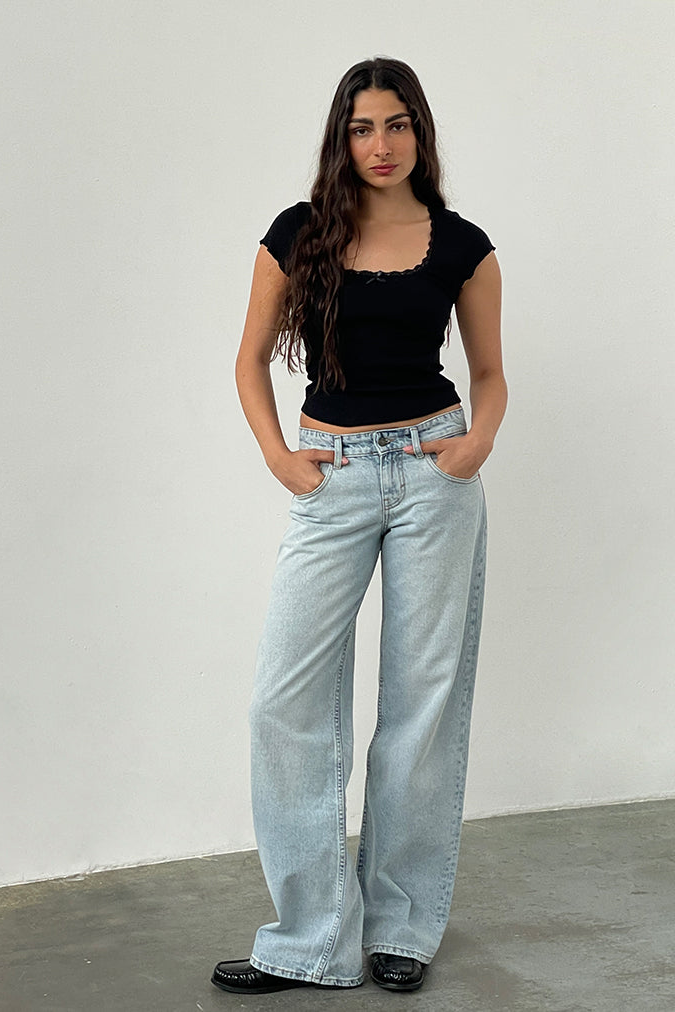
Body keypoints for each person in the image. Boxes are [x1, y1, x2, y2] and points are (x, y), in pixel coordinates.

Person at [212, 56, 507, 995]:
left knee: (421, 703)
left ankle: (402, 928)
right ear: (342, 140)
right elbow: (248, 360)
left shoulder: (462, 245)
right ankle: (310, 939)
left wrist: (475, 444)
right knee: (283, 702)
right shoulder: (299, 232)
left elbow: (490, 373)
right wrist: (279, 457)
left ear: (421, 132)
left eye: (397, 125)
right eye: (362, 128)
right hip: (330, 474)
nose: (381, 145)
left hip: (433, 473)